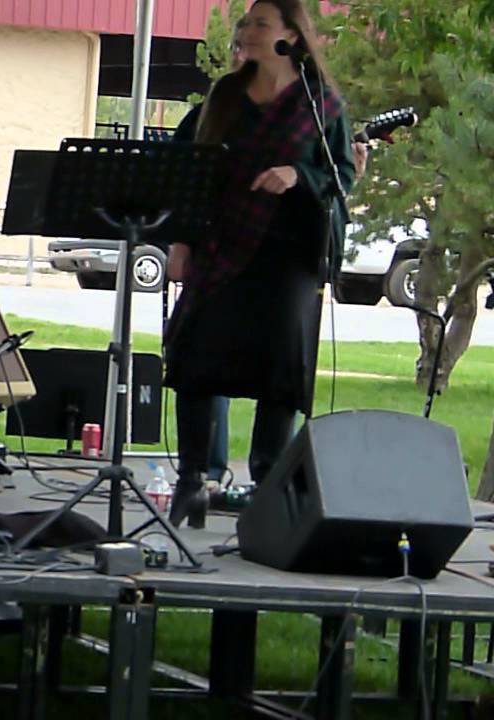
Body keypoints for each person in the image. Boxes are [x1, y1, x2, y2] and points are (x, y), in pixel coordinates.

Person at [162, 0, 355, 528]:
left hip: (288, 256)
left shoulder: (322, 105)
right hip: (219, 247)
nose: (245, 32)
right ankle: (193, 480)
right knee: (197, 360)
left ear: (291, 36)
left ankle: (267, 486)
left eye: (259, 23)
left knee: (278, 372)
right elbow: (184, 168)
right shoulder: (222, 97)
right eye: (245, 23)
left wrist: (299, 176)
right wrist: (178, 241)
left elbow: (341, 176)